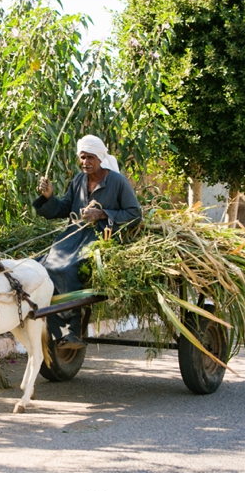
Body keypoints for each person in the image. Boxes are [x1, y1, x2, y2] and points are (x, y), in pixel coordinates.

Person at [34, 134, 142, 349]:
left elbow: (134, 214)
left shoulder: (117, 182)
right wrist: (48, 197)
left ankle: (74, 330)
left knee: (68, 268)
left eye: (90, 157)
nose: (85, 162)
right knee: (42, 266)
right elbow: (64, 209)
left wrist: (102, 215)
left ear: (101, 157)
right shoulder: (78, 180)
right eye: (82, 157)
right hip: (72, 236)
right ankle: (56, 329)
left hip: (102, 238)